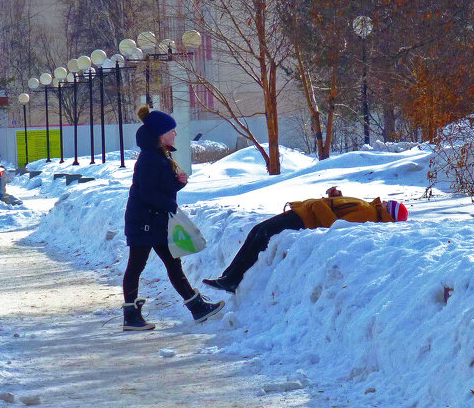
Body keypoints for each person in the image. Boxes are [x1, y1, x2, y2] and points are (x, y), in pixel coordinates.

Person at [122, 106, 224, 330]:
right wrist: (171, 204)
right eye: (171, 130)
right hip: (144, 222)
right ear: (160, 134)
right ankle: (131, 315)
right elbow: (147, 193)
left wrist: (178, 183)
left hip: (153, 221)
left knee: (172, 264)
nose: (175, 133)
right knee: (137, 265)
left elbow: (160, 188)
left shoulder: (159, 155)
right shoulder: (151, 158)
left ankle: (196, 307)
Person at [202, 187, 409, 294]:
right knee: (259, 230)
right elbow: (341, 213)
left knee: (262, 233)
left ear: (389, 213)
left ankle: (231, 280)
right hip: (304, 212)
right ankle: (228, 277)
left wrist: (318, 205)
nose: (388, 201)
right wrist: (335, 197)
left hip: (305, 217)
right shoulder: (369, 209)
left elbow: (335, 226)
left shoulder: (368, 213)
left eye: (391, 204)